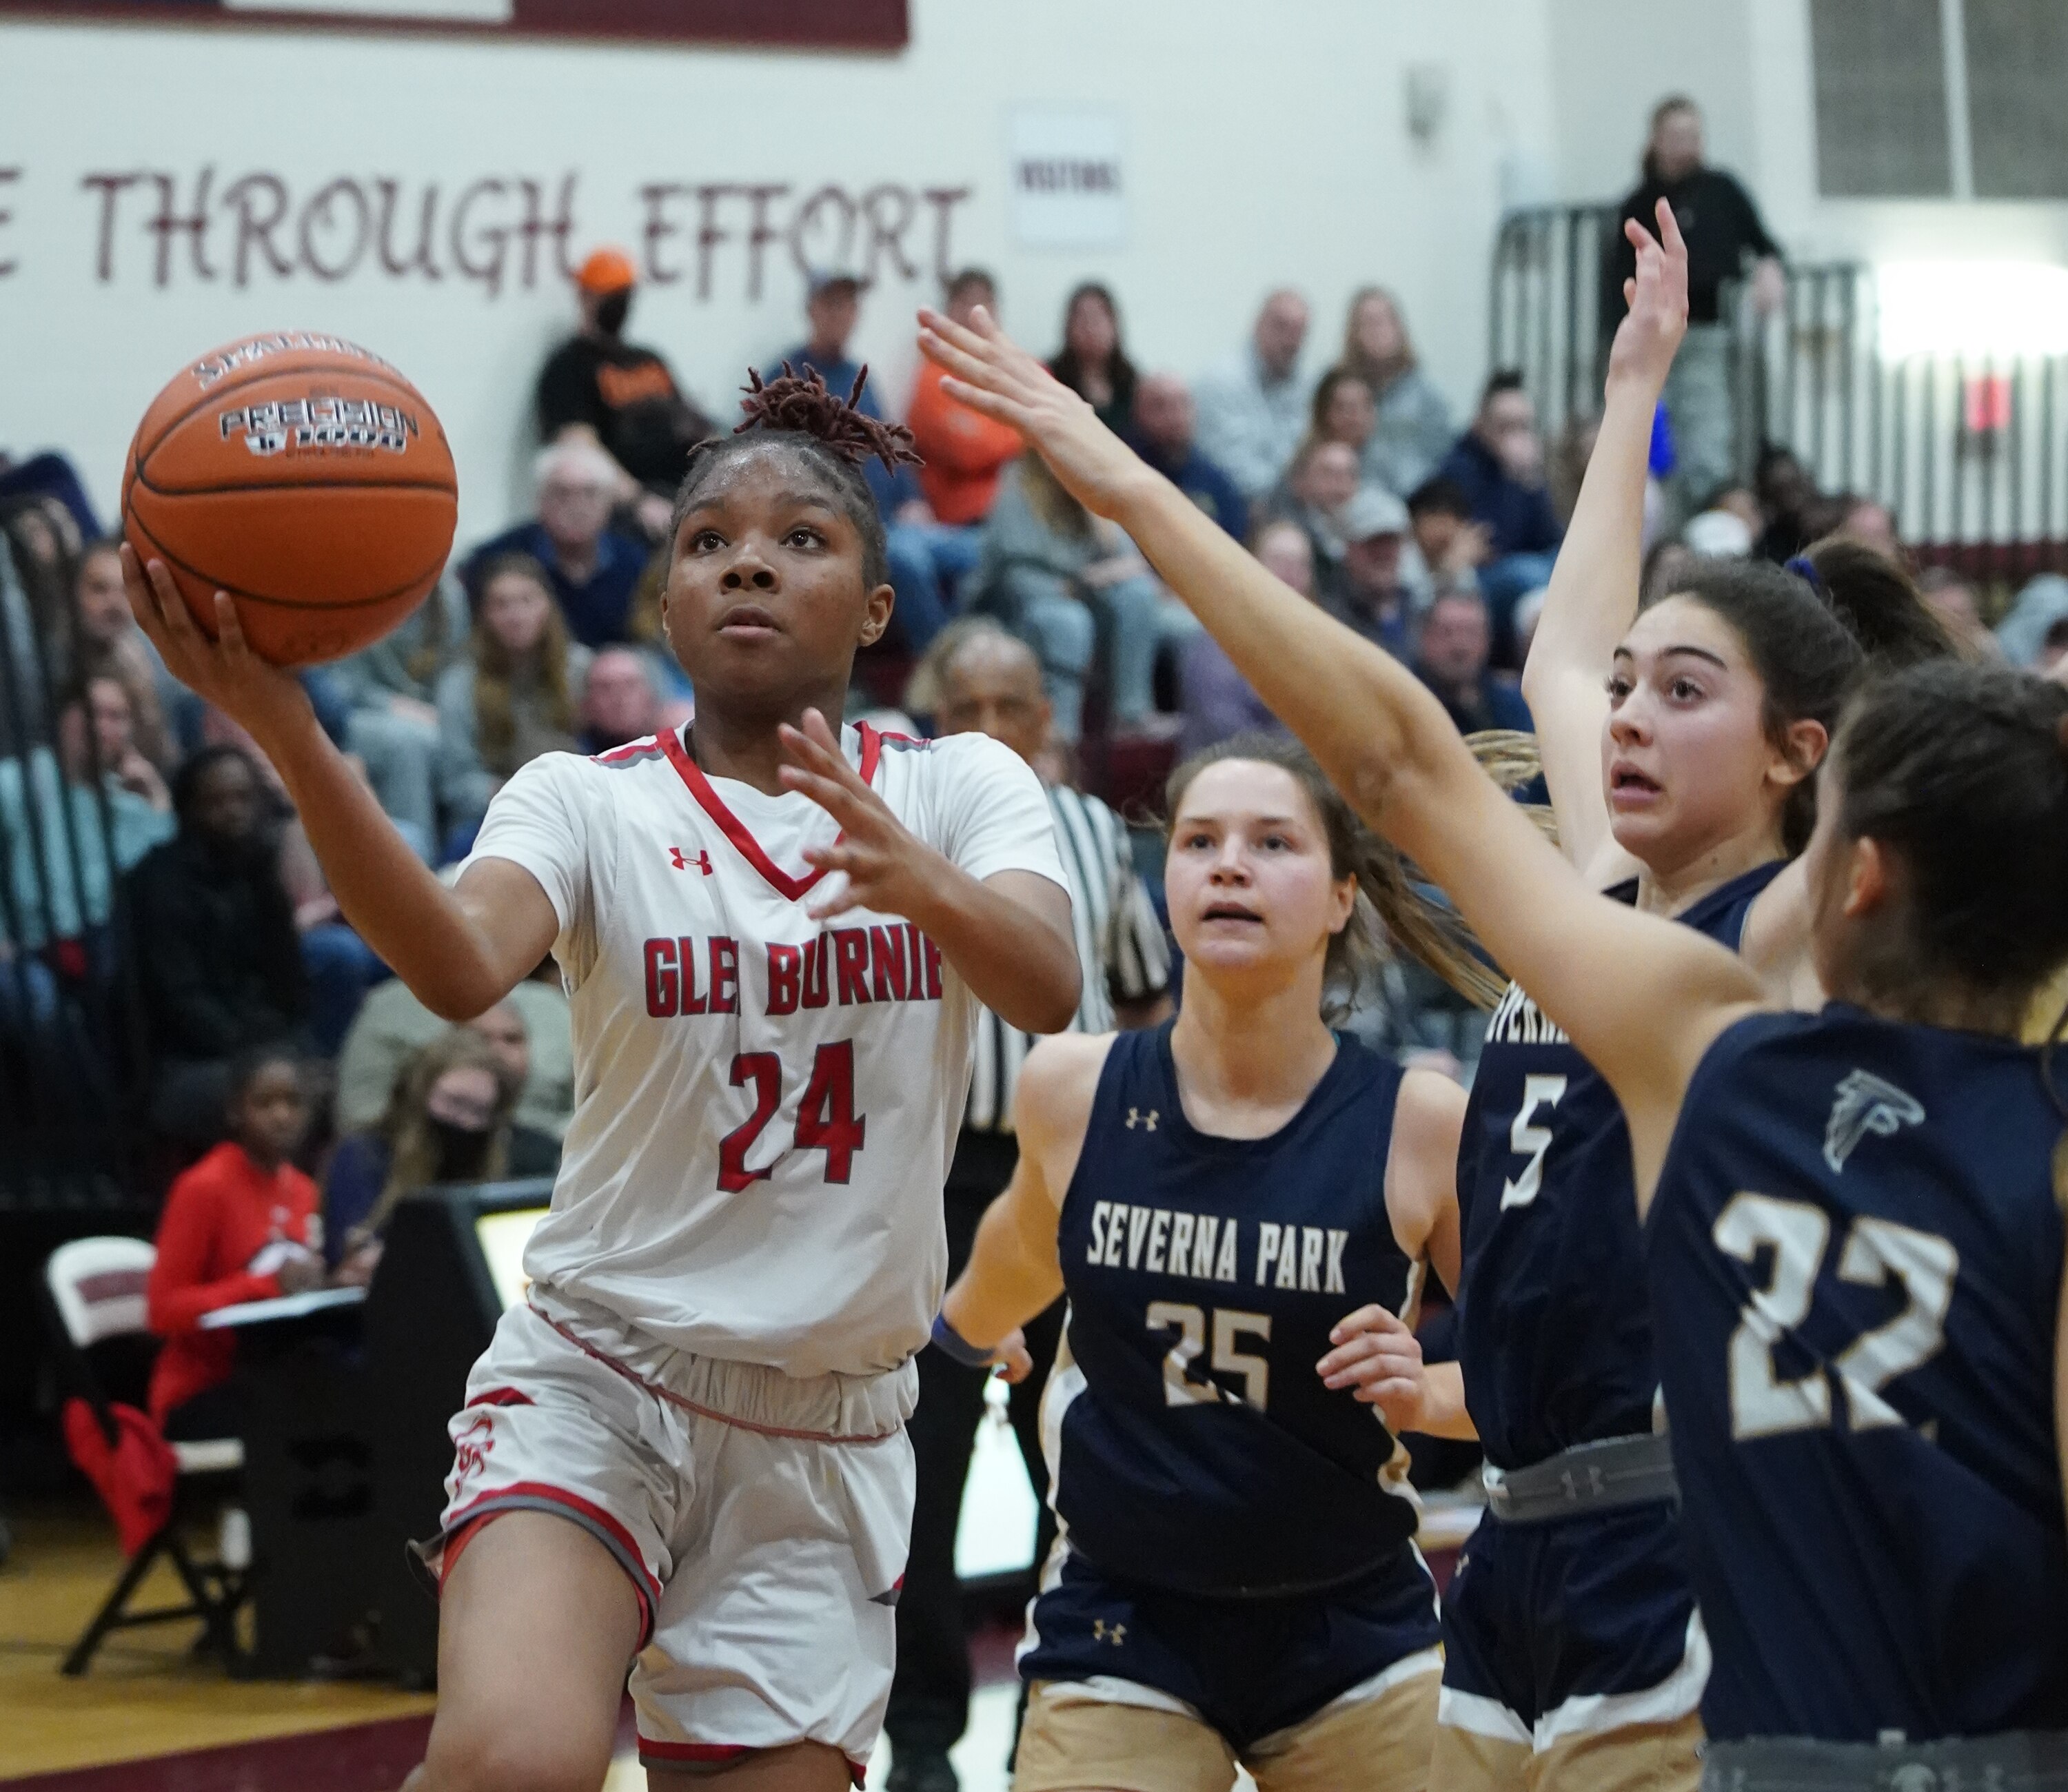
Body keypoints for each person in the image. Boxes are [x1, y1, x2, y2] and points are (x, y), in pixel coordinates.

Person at [923, 285, 2068, 1792]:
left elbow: (1400, 758)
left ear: (1828, 803)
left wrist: (1137, 490)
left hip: (1680, 1558)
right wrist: (1635, 390)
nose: (1624, 716)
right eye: (1628, 691)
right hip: (1519, 1556)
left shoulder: (1729, 988)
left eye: (1682, 690)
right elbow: (1557, 654)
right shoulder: (1596, 898)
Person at [120, 358, 1080, 1791]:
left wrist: (917, 879)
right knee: (518, 1759)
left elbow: (1047, 984)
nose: (749, 558)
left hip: (823, 1423)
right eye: (710, 542)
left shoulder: (954, 787)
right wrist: (291, 729)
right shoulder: (583, 799)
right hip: (600, 1371)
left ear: (878, 611)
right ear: (666, 600)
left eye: (801, 539)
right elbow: (452, 964)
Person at [933, 734, 1479, 1792]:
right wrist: (957, 1334)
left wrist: (1426, 1392)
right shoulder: (1072, 1090)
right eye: (1199, 841)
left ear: (1340, 898)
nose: (1229, 864)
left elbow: (1536, 1379)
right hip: (1124, 1620)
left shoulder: (1419, 1121)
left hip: (1354, 1624)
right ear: (1167, 879)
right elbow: (1008, 1261)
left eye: (1273, 842)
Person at [888, 620, 1172, 1792]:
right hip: (941, 1181)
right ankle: (916, 1742)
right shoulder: (899, 837)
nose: (996, 731)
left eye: (1016, 707)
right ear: (932, 721)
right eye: (970, 711)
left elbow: (1148, 1002)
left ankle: (1055, 1717)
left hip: (1076, 1173)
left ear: (1048, 720)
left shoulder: (1099, 834)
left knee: (1083, 1466)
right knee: (922, 1474)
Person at [769, 274, 966, 651]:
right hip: (847, 529)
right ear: (812, 311)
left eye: (850, 305)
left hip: (895, 521)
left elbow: (886, 445)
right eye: (833, 304)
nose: (844, 314)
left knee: (976, 552)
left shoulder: (859, 377)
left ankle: (977, 656)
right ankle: (943, 668)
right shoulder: (787, 379)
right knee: (910, 562)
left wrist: (913, 499)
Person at [127, 745, 309, 1148]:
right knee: (276, 1093)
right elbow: (179, 1000)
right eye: (217, 801)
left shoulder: (259, 870)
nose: (234, 812)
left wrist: (280, 1038)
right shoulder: (160, 885)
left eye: (244, 798)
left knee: (322, 1078)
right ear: (188, 809)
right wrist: (257, 1053)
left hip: (259, 1039)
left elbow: (287, 976)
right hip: (185, 1063)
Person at [1605, 97, 1784, 508]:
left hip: (1706, 333)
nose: (1687, 145)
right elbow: (1621, 279)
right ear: (1657, 141)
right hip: (1654, 337)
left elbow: (1765, 246)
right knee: (1656, 439)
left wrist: (1768, 272)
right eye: (1677, 135)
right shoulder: (1638, 203)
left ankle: (1710, 517)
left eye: (1693, 135)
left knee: (1707, 437)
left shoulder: (1723, 191)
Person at [145, 1047, 323, 1439]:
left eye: (293, 1103)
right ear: (235, 1112)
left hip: (273, 1375)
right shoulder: (204, 1187)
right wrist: (265, 1287)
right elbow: (163, 1311)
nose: (282, 1116)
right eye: (265, 1103)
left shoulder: (307, 1191)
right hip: (201, 1391)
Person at [325, 1027, 560, 1283]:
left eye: (479, 1112)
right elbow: (349, 1251)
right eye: (454, 1103)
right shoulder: (365, 1155)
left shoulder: (510, 1161)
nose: (466, 1124)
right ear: (421, 1093)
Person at [966, 454, 1168, 741]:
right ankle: (1062, 735)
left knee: (1138, 595)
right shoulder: (1018, 483)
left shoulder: (1092, 483)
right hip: (1022, 605)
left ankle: (1131, 714)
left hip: (1085, 595)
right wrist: (1079, 584)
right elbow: (1013, 575)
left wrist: (1100, 530)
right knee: (1069, 620)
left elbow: (1129, 561)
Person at [536, 247, 716, 540]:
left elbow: (694, 424)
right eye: (613, 296)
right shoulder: (568, 367)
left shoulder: (650, 359)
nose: (621, 305)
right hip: (629, 510)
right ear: (585, 296)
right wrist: (638, 500)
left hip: (685, 491)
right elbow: (581, 447)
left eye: (626, 296)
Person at [436, 554, 592, 848]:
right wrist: (523, 795)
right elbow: (456, 785)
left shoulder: (582, 669)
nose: (516, 615)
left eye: (527, 601)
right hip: (495, 818)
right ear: (484, 615)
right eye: (501, 605)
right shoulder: (459, 684)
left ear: (548, 605)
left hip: (579, 808)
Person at [336, 979, 574, 1143]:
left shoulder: (546, 1151)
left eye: (512, 1040)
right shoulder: (432, 1138)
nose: (497, 1053)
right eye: (482, 1039)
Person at [465, 442, 651, 651]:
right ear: (539, 501)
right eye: (562, 493)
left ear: (609, 503)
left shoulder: (635, 562)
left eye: (590, 493)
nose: (577, 506)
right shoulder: (494, 560)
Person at [335, 580, 471, 858]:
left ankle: (466, 856)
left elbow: (460, 666)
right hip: (359, 712)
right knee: (410, 741)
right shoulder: (344, 590)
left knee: (454, 729)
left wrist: (445, 708)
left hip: (437, 708)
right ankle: (416, 862)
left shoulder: (449, 594)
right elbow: (337, 685)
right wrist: (392, 705)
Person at [1434, 373, 1564, 657]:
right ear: (1481, 425)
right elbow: (1491, 542)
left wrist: (1530, 482)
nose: (1515, 436)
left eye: (1523, 427)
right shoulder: (1460, 468)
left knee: (1567, 562)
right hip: (1481, 578)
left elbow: (1547, 537)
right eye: (1505, 427)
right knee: (1527, 575)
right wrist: (1512, 476)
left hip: (1526, 569)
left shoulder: (1525, 471)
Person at [1181, 520, 1312, 757]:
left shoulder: (1315, 643)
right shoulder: (1220, 639)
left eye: (1300, 564)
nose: (1290, 574)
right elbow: (1227, 732)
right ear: (1251, 566)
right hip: (1225, 777)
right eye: (1280, 561)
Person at [906, 269, 1025, 527]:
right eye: (967, 301)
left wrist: (987, 432)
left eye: (984, 302)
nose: (975, 312)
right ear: (950, 310)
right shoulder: (931, 377)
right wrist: (1015, 433)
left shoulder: (1017, 370)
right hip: (959, 522)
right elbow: (964, 452)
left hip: (1015, 515)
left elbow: (1041, 438)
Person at [1195, 289, 1314, 504]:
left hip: (1290, 505)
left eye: (1299, 331)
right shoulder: (1221, 381)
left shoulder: (1304, 385)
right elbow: (1233, 471)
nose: (1291, 341)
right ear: (1258, 325)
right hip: (1234, 508)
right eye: (1282, 326)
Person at [1335, 288, 1454, 498]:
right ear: (1352, 333)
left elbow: (1442, 462)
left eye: (1384, 321)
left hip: (1417, 505)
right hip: (1351, 504)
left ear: (1400, 328)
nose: (1377, 330)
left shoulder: (1427, 397)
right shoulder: (1338, 394)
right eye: (1368, 323)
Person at [1125, 373, 1247, 541]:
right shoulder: (1123, 471)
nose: (1175, 416)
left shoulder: (1217, 483)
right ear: (1138, 413)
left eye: (1182, 404)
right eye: (1160, 406)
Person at [1415, 591, 1530, 736]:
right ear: (1425, 638)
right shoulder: (1410, 705)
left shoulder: (1513, 703)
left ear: (1487, 640)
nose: (1460, 647)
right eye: (1447, 633)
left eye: (1471, 633)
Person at [1326, 485, 1417, 658]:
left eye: (1391, 543)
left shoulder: (1416, 609)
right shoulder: (1330, 616)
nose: (1383, 553)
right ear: (1348, 548)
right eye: (1373, 544)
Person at [1266, 439, 1361, 599]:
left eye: (1349, 475)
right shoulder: (1282, 537)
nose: (1340, 485)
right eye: (1329, 473)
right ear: (1300, 481)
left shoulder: (1363, 538)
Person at [1046, 283, 1137, 435]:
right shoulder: (1050, 378)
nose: (1089, 329)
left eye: (1097, 319)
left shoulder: (1132, 383)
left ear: (1114, 325)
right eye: (1082, 319)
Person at [1401, 476, 1490, 613]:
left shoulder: (1460, 561)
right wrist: (1448, 572)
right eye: (1436, 518)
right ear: (1413, 521)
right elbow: (1412, 610)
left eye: (1452, 520)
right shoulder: (1402, 557)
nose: (1443, 530)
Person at [578, 646, 662, 755]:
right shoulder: (571, 763)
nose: (619, 698)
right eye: (606, 687)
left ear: (649, 697)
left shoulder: (673, 754)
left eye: (630, 685)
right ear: (587, 703)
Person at [1306, 367, 1378, 467]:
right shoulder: (1308, 468)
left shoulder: (1384, 464)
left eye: (1365, 407)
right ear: (1324, 413)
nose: (1356, 417)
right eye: (1345, 408)